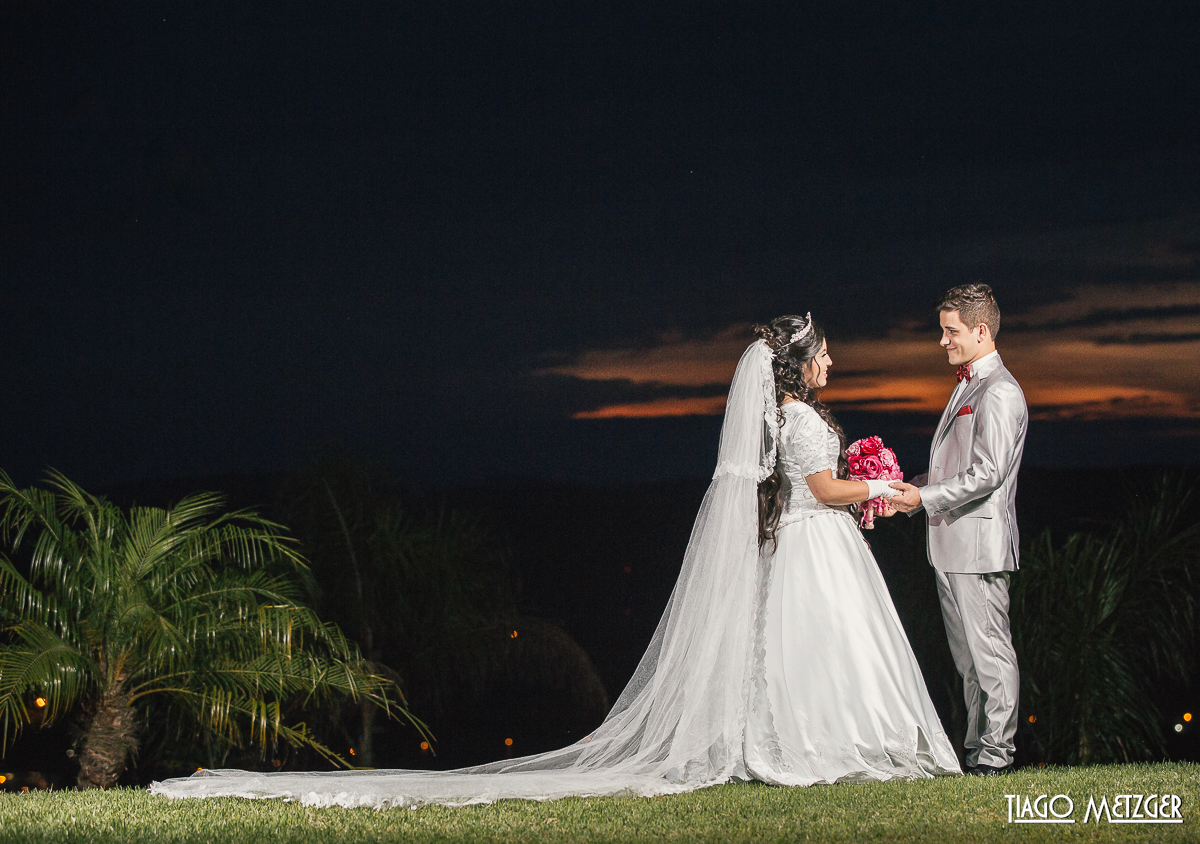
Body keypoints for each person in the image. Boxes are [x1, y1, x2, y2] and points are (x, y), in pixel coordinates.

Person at [151, 314, 959, 809]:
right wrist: (882, 488)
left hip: (808, 548)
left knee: (809, 654)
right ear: (800, 360)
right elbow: (819, 484)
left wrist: (865, 491)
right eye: (824, 354)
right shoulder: (803, 420)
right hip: (816, 544)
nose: (831, 364)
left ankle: (822, 740)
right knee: (824, 650)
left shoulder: (789, 413)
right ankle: (829, 744)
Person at [889, 284, 1027, 776]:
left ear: (981, 330)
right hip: (949, 544)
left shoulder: (1001, 391)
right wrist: (909, 492)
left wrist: (923, 498)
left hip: (979, 547)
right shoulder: (966, 386)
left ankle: (996, 756)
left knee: (991, 656)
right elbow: (957, 472)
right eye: (943, 331)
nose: (943, 342)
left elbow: (988, 474)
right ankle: (976, 751)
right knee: (968, 662)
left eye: (951, 332)